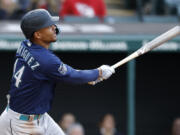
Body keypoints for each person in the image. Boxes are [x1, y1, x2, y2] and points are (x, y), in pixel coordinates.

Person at [0, 9, 115, 135]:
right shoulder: (45, 60)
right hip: (21, 125)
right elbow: (71, 76)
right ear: (37, 35)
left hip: (39, 117)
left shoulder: (25, 44)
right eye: (49, 26)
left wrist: (88, 77)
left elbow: (60, 72)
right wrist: (98, 72)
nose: (54, 28)